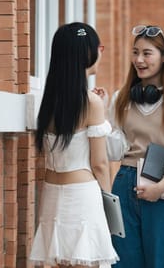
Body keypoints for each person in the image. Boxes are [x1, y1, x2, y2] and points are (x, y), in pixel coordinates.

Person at [109, 24, 164, 267]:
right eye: (135, 52)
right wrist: (98, 121)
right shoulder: (120, 98)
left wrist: (162, 186)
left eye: (147, 53)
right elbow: (114, 150)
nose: (139, 59)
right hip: (125, 182)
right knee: (123, 261)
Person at [29, 22, 119, 267]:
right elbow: (100, 164)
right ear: (86, 54)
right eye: (97, 47)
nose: (100, 53)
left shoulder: (49, 101)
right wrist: (110, 207)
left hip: (51, 196)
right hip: (82, 197)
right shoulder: (90, 103)